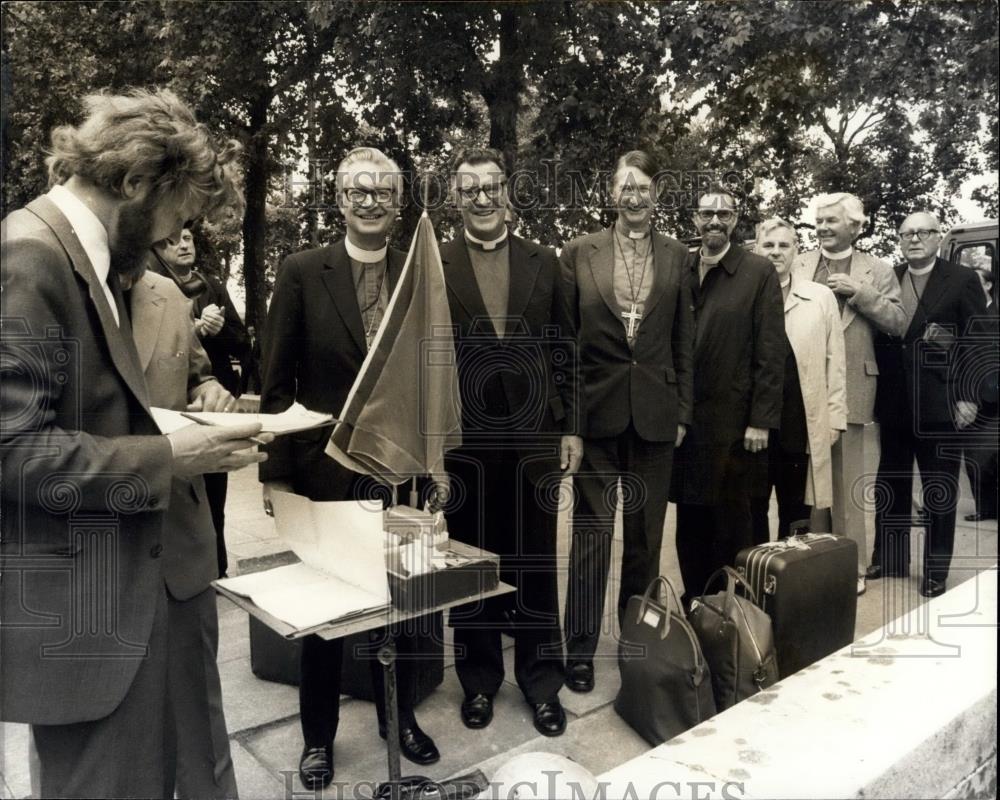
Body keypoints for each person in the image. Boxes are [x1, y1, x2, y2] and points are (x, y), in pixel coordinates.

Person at [0, 88, 266, 799]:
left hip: (154, 583)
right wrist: (169, 458)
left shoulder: (93, 257)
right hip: (89, 615)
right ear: (135, 182)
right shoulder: (30, 257)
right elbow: (11, 451)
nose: (166, 241)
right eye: (173, 219)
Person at [259, 146, 440, 791]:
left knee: (407, 605)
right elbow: (276, 385)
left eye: (382, 192)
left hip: (402, 476)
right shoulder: (303, 271)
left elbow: (431, 377)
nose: (369, 203)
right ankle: (318, 739)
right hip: (326, 475)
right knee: (328, 617)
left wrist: (436, 463)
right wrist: (277, 479)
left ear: (397, 203)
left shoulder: (418, 276)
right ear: (338, 200)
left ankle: (402, 722)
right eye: (357, 192)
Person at [440, 146, 582, 737]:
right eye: (469, 189)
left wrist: (571, 425)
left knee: (534, 561)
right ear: (456, 197)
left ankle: (542, 682)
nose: (481, 197)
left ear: (507, 192)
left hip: (533, 438)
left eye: (490, 187)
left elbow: (565, 348)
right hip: (465, 440)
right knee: (473, 565)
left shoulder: (544, 261)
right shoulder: (433, 263)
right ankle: (478, 682)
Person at [559, 150, 693, 693]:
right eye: (625, 188)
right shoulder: (578, 253)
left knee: (644, 538)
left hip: (657, 418)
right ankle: (581, 651)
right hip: (596, 414)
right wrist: (569, 421)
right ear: (611, 193)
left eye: (643, 188)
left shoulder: (678, 257)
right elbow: (565, 345)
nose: (633, 197)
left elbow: (685, 340)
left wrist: (682, 410)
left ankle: (636, 641)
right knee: (591, 536)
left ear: (656, 195)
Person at [129, 267, 239, 798]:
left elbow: (199, 376)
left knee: (201, 725)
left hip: (182, 546)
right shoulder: (38, 276)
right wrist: (166, 456)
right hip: (92, 561)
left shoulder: (168, 292)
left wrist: (212, 390)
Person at [669, 185, 785, 606]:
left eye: (725, 214)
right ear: (694, 220)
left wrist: (761, 419)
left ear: (736, 220)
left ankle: (740, 614)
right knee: (691, 521)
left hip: (737, 427)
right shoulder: (679, 267)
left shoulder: (757, 271)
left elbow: (770, 352)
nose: (715, 221)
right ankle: (698, 604)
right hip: (688, 425)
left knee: (736, 524)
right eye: (706, 214)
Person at [792, 193, 905, 594]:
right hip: (802, 385)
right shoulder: (799, 262)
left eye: (831, 221)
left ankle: (852, 568)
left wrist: (861, 292)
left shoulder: (878, 269)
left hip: (854, 385)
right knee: (806, 482)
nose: (822, 227)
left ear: (856, 226)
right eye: (819, 220)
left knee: (846, 482)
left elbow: (898, 322)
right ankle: (809, 561)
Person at [870, 212, 987, 597]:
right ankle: (889, 558)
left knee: (940, 487)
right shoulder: (892, 275)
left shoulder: (962, 279)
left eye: (922, 232)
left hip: (941, 402)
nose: (914, 239)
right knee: (892, 482)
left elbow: (978, 343)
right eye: (906, 233)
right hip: (894, 402)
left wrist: (969, 396)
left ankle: (936, 571)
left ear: (938, 237)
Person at [152, 226, 250, 578]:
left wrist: (218, 327)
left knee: (215, 494)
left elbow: (241, 341)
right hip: (171, 413)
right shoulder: (146, 287)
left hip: (212, 409)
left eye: (188, 238)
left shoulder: (212, 286)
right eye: (170, 239)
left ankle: (217, 569)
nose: (181, 245)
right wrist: (193, 328)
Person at [750, 218, 847, 545]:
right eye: (768, 245)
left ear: (796, 251)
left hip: (799, 421)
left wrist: (835, 416)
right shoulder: (745, 295)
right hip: (753, 425)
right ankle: (754, 574)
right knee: (752, 506)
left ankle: (788, 580)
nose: (776, 252)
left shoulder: (819, 297)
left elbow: (835, 360)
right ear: (756, 248)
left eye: (783, 245)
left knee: (796, 510)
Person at [962, 266, 998, 522]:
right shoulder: (963, 313)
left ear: (988, 285)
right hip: (970, 394)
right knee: (973, 455)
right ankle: (984, 507)